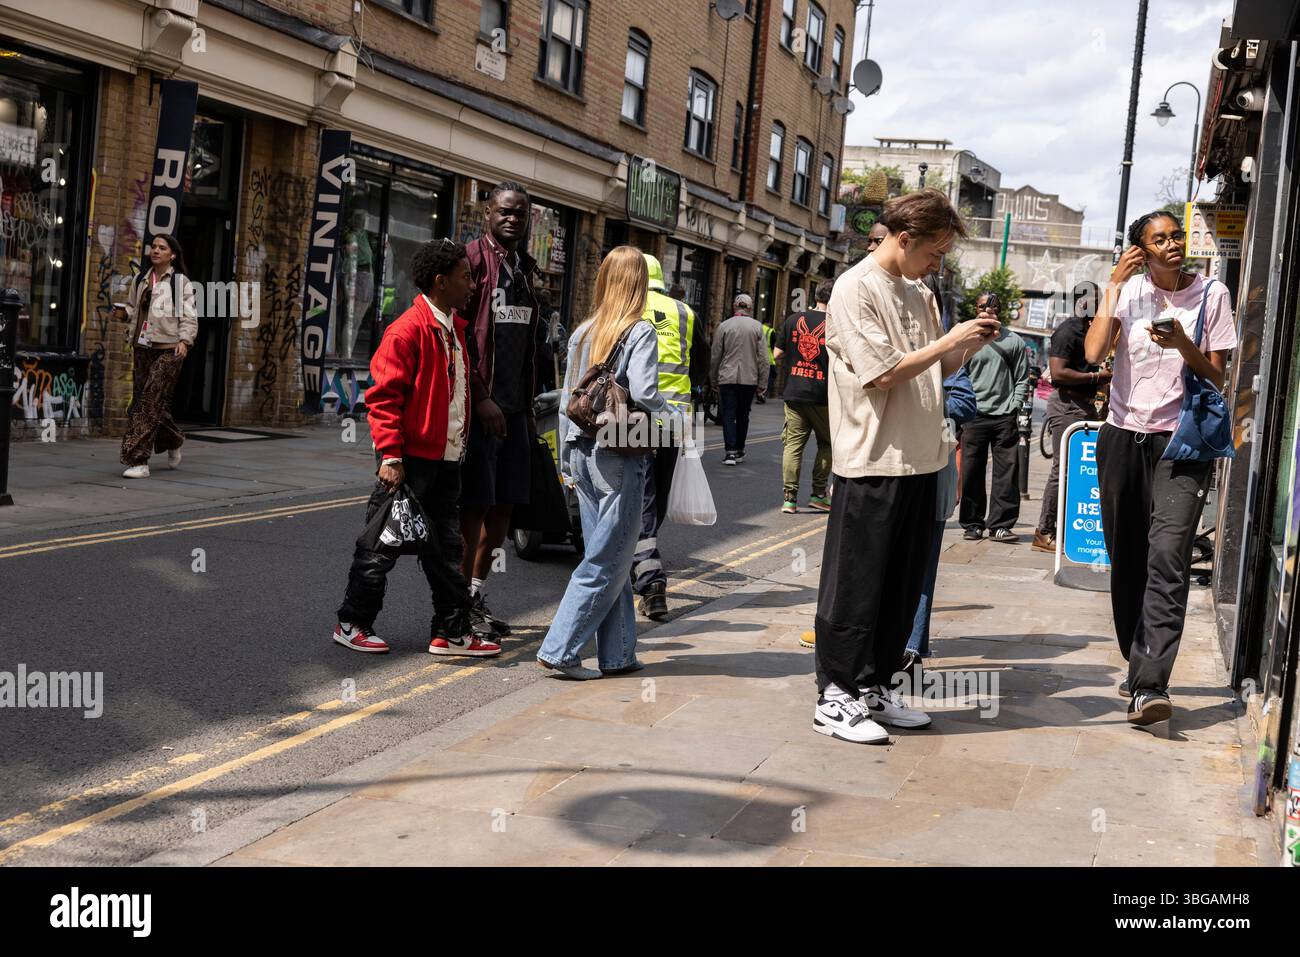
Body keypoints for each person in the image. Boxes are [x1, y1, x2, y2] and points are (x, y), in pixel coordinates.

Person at [813, 188, 998, 745]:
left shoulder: (920, 292)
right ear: (904, 237)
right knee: (855, 583)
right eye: (934, 253)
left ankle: (874, 687)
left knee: (900, 585)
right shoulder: (855, 288)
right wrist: (951, 337)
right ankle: (836, 694)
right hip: (872, 458)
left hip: (923, 457)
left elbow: (938, 365)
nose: (937, 265)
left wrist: (970, 342)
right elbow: (881, 373)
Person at [1084, 210, 1237, 725]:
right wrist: (1112, 286)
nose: (1173, 245)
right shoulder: (1126, 292)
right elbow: (1092, 352)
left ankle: (1151, 685)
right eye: (1160, 239)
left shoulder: (1212, 293)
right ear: (1141, 250)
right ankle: (1137, 666)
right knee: (1127, 557)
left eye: (1176, 236)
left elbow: (1216, 376)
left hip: (1183, 443)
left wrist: (1182, 344)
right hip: (1122, 436)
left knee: (1168, 556)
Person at [334, 240, 499, 658]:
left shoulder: (453, 329)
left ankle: (451, 632)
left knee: (446, 552)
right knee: (380, 546)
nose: (473, 283)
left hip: (446, 461)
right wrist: (389, 456)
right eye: (466, 276)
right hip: (407, 461)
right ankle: (352, 623)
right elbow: (382, 398)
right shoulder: (407, 330)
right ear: (441, 282)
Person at [537, 247, 687, 679]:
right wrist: (675, 416)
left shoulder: (583, 331)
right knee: (606, 560)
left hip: (582, 452)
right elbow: (643, 391)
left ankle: (618, 653)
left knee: (613, 557)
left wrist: (566, 460)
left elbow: (569, 398)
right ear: (639, 284)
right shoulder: (639, 331)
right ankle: (560, 649)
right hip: (620, 454)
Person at [461, 181, 541, 638]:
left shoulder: (525, 269)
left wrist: (526, 407)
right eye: (505, 211)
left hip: (514, 411)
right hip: (479, 410)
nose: (513, 218)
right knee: (474, 508)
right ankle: (455, 604)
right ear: (488, 213)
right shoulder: (471, 262)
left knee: (504, 510)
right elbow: (459, 334)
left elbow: (527, 345)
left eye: (521, 214)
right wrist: (481, 395)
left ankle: (474, 594)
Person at [630, 255, 702, 622]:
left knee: (640, 496)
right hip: (675, 418)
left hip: (634, 418)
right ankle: (642, 562)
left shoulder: (627, 308)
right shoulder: (685, 312)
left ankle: (649, 577)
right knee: (656, 494)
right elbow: (701, 365)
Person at [902, 367, 978, 673]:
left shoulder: (946, 358)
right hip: (889, 474)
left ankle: (911, 648)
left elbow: (966, 406)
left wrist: (921, 400)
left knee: (923, 566)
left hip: (933, 479)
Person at [1032, 281, 1111, 553]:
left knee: (1077, 470)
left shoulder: (1091, 330)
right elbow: (1058, 373)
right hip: (1067, 404)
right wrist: (1096, 377)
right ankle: (1044, 531)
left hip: (1083, 403)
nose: (1099, 304)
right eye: (1094, 299)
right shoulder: (1069, 331)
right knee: (1063, 469)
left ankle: (1064, 530)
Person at [114, 234, 196, 479]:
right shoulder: (141, 278)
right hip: (142, 347)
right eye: (154, 247)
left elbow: (189, 316)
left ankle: (139, 461)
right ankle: (173, 439)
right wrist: (122, 313)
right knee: (145, 401)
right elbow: (131, 308)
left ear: (172, 255)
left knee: (148, 403)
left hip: (169, 349)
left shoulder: (180, 282)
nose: (156, 251)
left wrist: (184, 341)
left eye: (162, 248)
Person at [958, 292, 1030, 543]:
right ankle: (972, 523)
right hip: (973, 415)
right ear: (975, 308)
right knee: (971, 471)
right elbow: (955, 374)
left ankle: (1001, 525)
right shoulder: (965, 338)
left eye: (993, 308)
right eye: (982, 307)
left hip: (1004, 416)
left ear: (999, 311)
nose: (987, 311)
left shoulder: (1014, 342)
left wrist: (1014, 404)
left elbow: (1022, 378)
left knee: (1007, 473)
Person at [773, 280, 833, 513]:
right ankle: (818, 494)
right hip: (823, 396)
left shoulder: (793, 320)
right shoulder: (837, 324)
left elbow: (777, 354)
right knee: (827, 443)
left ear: (815, 296)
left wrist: (795, 360)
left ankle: (789, 499)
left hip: (794, 392)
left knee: (793, 446)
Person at [710, 293, 767, 465]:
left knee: (728, 414)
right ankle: (740, 449)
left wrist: (713, 379)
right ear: (749, 308)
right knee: (743, 414)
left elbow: (715, 356)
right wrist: (763, 383)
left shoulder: (724, 326)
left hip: (727, 377)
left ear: (735, 307)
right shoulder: (757, 327)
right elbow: (763, 358)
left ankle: (730, 452)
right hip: (749, 379)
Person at [757, 319, 778, 403]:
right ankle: (762, 393)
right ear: (768, 323)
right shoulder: (771, 331)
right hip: (769, 358)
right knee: (771, 376)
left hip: (756, 356)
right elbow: (773, 346)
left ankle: (757, 393)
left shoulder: (757, 328)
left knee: (758, 375)